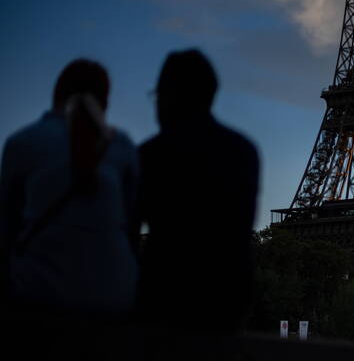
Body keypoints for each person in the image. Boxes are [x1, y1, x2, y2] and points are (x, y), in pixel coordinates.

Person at [0, 59, 139, 317]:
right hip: (116, 296)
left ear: (57, 93)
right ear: (104, 104)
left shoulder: (21, 142)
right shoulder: (123, 147)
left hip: (36, 292)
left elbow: (7, 229)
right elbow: (130, 226)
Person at [137, 49, 259, 333]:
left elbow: (128, 231)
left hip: (163, 297)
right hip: (226, 300)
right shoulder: (242, 151)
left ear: (171, 96)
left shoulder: (150, 155)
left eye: (159, 95)